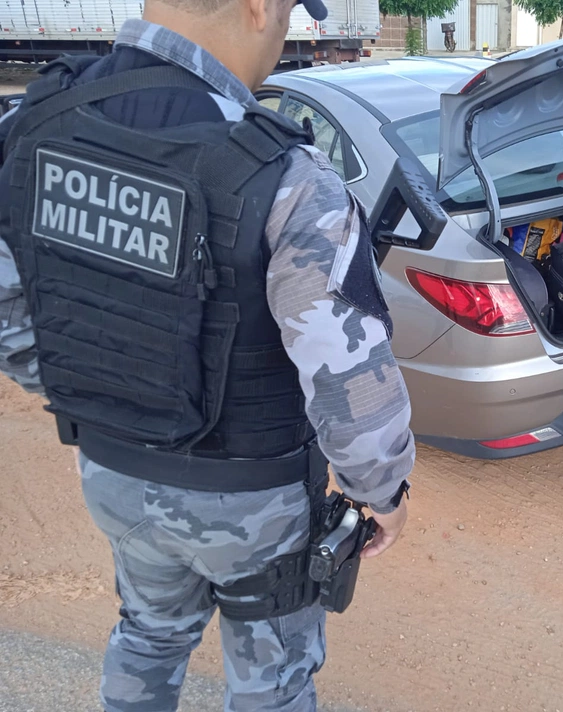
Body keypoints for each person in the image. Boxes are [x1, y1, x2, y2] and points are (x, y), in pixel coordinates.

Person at [0, 0, 416, 708]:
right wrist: (383, 492)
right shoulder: (288, 176)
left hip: (112, 470)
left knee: (149, 633)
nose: (287, 32)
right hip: (254, 496)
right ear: (258, 7)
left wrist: (102, 400)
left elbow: (11, 314)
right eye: (288, 13)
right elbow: (345, 373)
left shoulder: (26, 127)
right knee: (272, 682)